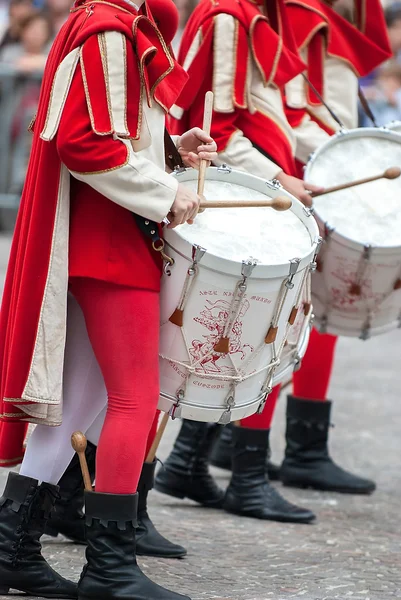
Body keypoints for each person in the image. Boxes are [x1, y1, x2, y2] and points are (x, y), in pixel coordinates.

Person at [0, 1, 217, 599]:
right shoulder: (112, 29)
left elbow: (117, 132)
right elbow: (85, 142)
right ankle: (110, 569)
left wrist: (169, 149)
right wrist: (166, 190)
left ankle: (11, 545)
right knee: (134, 397)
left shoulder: (109, 23)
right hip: (110, 241)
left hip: (102, 233)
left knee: (78, 401)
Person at [156, 0, 322, 525]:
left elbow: (280, 117)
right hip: (242, 192)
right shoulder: (229, 17)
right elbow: (221, 131)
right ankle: (238, 477)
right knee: (229, 335)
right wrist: (278, 178)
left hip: (266, 187)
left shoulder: (257, 18)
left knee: (243, 335)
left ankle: (187, 461)